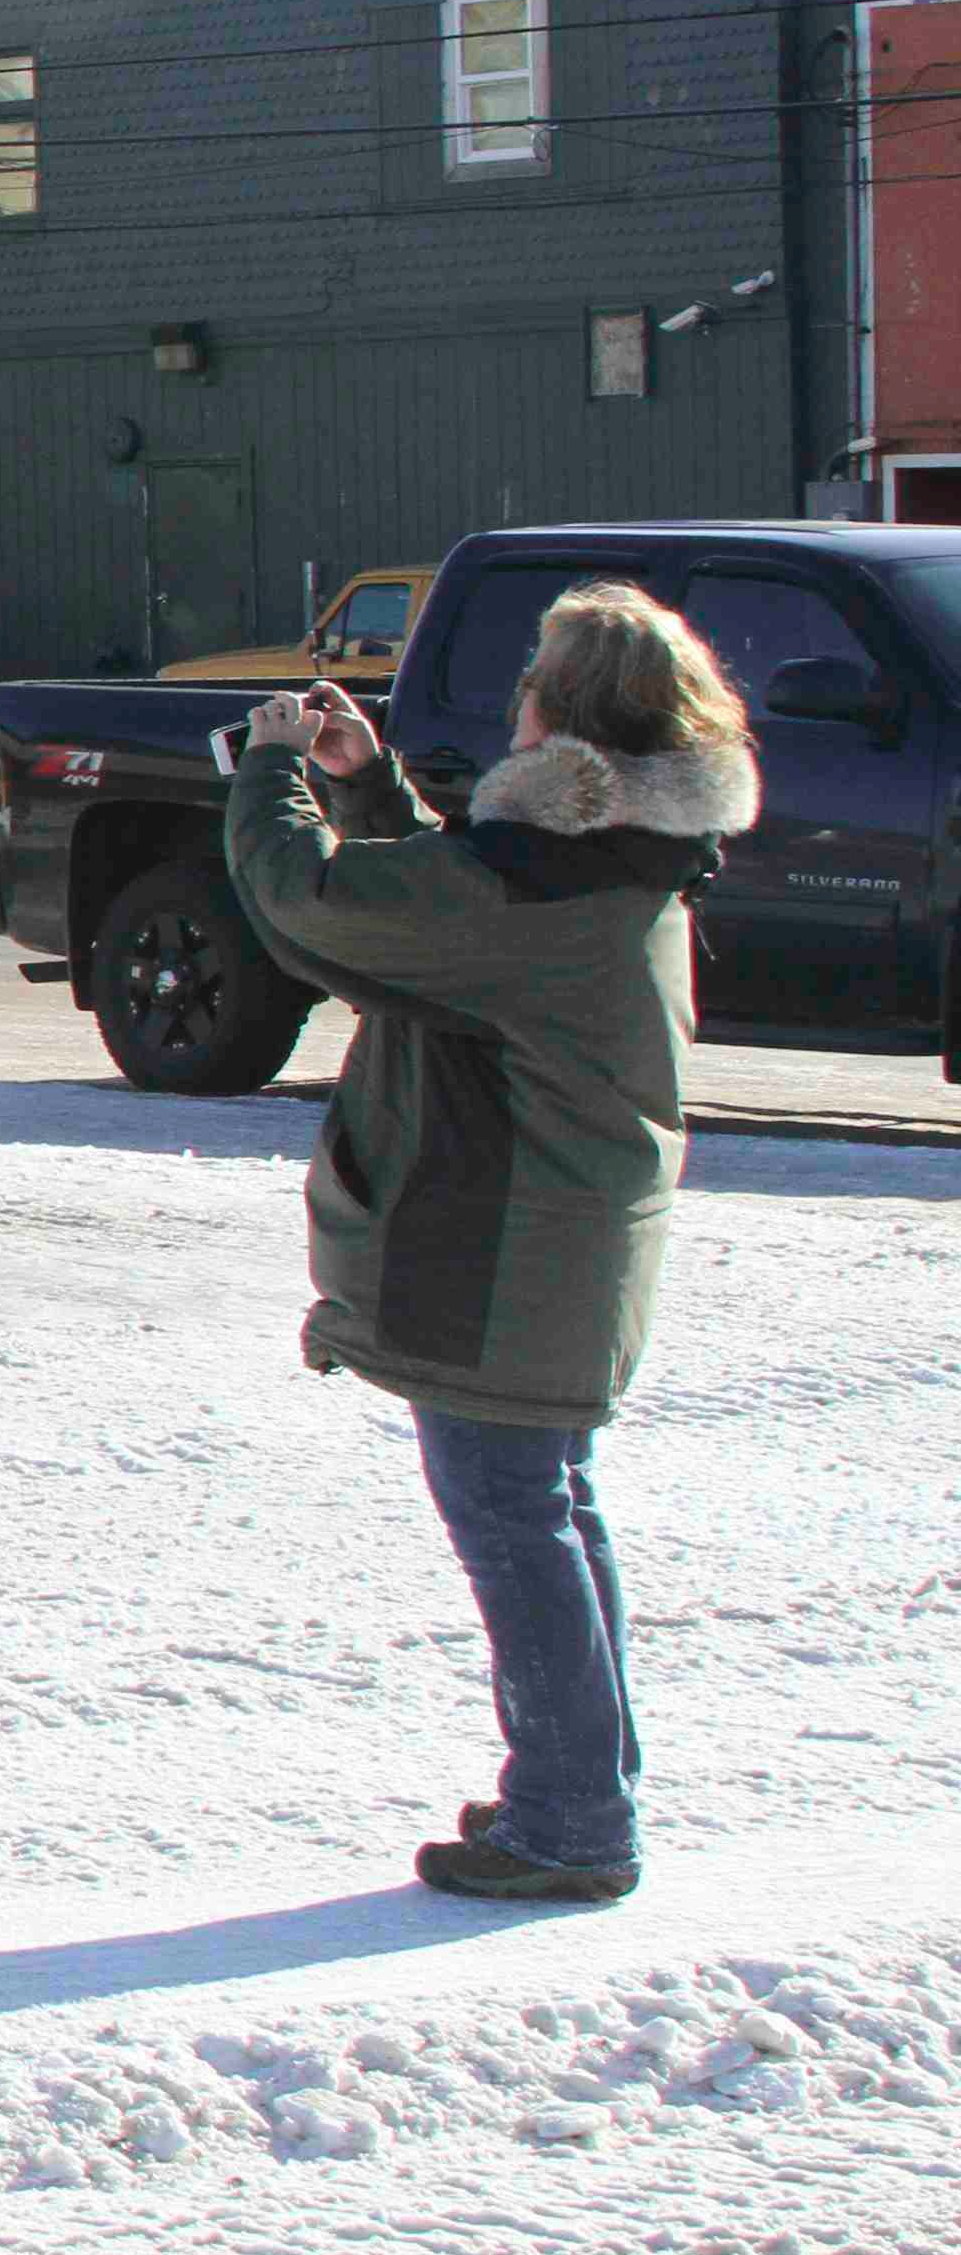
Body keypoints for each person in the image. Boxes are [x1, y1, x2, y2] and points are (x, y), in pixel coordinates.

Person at [221, 586, 758, 1906]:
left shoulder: (545, 883)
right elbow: (454, 907)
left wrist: (273, 774)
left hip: (512, 1249)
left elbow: (314, 905)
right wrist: (371, 787)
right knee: (548, 1511)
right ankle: (580, 1794)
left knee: (519, 1523)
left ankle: (572, 1823)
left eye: (532, 681)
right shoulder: (612, 858)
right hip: (559, 1240)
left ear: (558, 721)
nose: (515, 698)